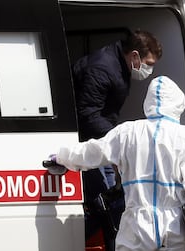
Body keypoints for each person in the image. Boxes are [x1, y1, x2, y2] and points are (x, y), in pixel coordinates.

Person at [49, 76, 185, 250]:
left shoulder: (128, 132)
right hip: (176, 229)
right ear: (179, 103)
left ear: (148, 103)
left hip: (137, 227)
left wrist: (63, 157)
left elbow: (93, 152)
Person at [72, 30, 163, 250]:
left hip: (102, 141)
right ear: (134, 56)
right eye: (148, 63)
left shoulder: (118, 66)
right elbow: (88, 115)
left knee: (111, 203)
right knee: (105, 205)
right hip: (92, 145)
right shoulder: (103, 68)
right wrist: (119, 141)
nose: (149, 69)